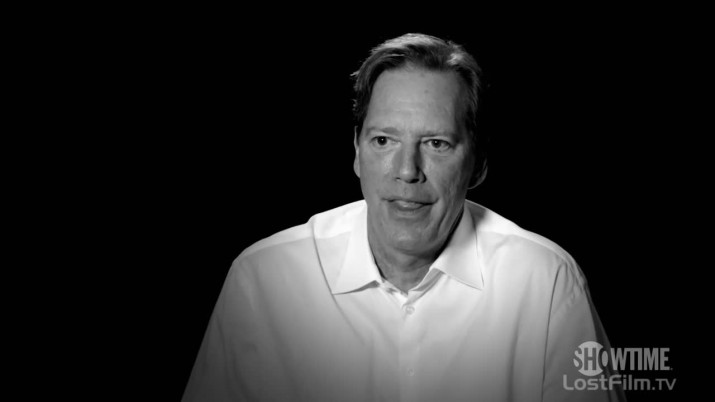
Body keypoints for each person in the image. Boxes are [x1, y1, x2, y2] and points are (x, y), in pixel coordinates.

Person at [183, 33, 624, 401]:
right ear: (357, 152)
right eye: (384, 141)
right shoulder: (261, 279)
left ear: (478, 163)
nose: (407, 171)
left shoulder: (546, 281)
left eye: (436, 143)